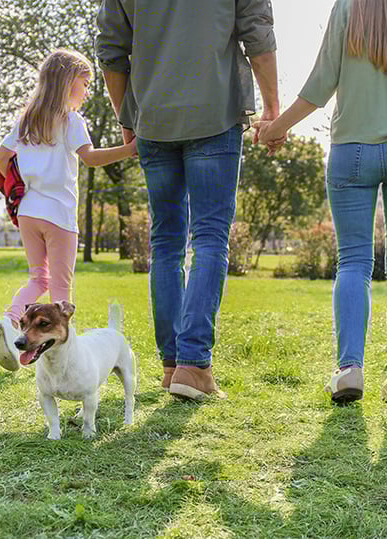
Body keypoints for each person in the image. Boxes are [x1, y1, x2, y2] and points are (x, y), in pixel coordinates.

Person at [257, 0, 387, 403]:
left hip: (352, 151)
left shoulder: (350, 6)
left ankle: (349, 369)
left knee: (353, 261)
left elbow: (321, 82)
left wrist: (275, 128)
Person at [96, 0, 279, 401]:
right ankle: (193, 365)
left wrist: (128, 119)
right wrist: (272, 106)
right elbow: (258, 33)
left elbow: (111, 49)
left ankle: (172, 364)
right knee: (210, 237)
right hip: (215, 114)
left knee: (166, 243)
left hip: (153, 120)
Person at [0, 49, 138, 372]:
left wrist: (17, 188)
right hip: (59, 215)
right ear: (69, 82)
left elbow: (0, 160)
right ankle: (66, 361)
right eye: (84, 84)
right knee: (60, 290)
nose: (86, 92)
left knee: (36, 277)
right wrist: (129, 149)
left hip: (28, 211)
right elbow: (90, 157)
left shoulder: (27, 118)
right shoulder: (71, 119)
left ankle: (9, 319)